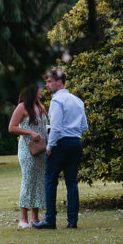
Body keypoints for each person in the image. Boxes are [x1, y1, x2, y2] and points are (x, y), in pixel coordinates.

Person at [33, 68, 88, 230]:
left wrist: (50, 146)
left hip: (60, 143)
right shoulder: (78, 101)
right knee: (72, 182)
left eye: (50, 81)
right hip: (76, 142)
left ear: (59, 82)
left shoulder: (57, 101)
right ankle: (72, 221)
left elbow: (55, 128)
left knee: (50, 180)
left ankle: (50, 220)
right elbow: (84, 126)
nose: (47, 85)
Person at [8, 85, 49, 229]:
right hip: (27, 149)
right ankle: (23, 219)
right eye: (39, 88)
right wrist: (29, 132)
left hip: (41, 150)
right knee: (28, 180)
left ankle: (35, 218)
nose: (42, 90)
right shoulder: (22, 107)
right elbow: (12, 127)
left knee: (38, 182)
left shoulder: (40, 107)